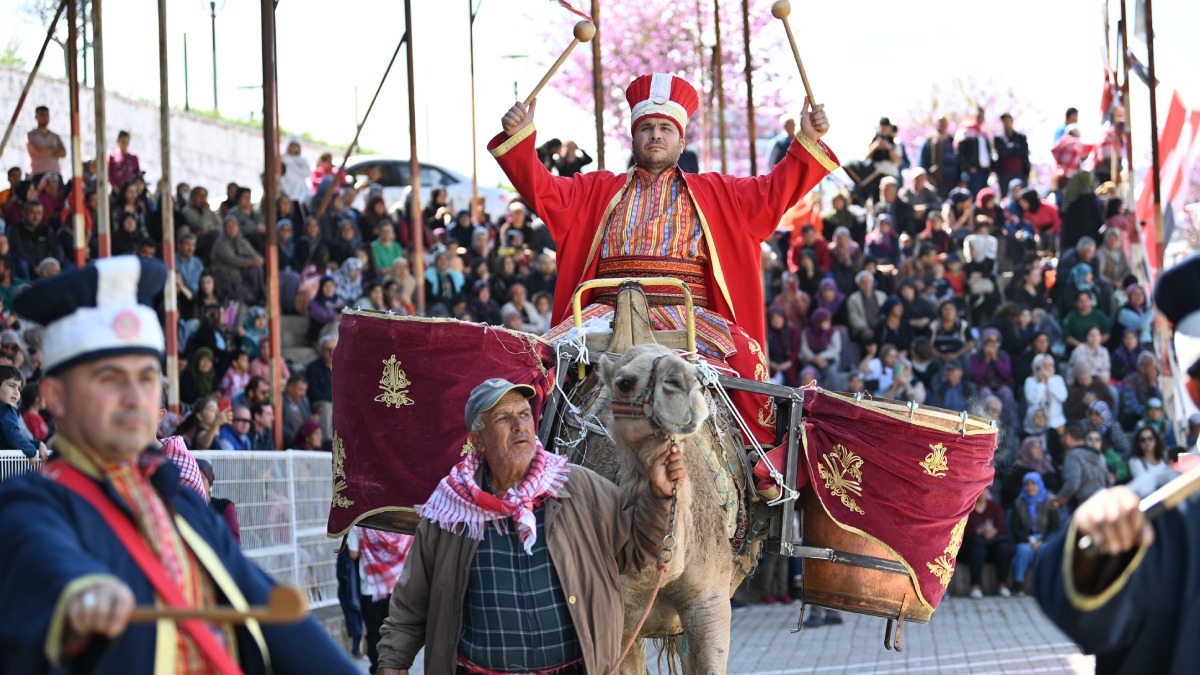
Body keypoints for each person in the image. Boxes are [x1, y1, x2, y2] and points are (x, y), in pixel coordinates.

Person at [0, 256, 356, 673]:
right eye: (111, 379)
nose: (136, 397)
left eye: (147, 378)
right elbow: (46, 560)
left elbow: (275, 616)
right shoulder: (26, 502)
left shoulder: (178, 504)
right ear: (56, 396)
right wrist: (83, 593)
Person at [492, 73, 835, 444]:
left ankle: (759, 462)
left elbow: (774, 191)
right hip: (607, 312)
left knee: (749, 358)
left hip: (687, 313)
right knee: (537, 361)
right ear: (634, 137)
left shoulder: (717, 192)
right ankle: (533, 461)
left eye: (665, 128)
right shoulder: (596, 189)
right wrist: (521, 140)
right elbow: (541, 188)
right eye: (647, 128)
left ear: (681, 140)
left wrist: (806, 141)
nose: (656, 134)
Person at [375, 378, 685, 674]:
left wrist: (658, 497)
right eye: (503, 418)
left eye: (524, 414)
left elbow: (639, 549)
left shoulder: (577, 487)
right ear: (476, 440)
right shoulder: (449, 511)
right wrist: (393, 660)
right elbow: (411, 603)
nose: (519, 425)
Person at [1010, 472, 1059, 595]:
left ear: (1039, 485)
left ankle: (1045, 587)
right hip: (1025, 541)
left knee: (1045, 550)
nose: (1030, 487)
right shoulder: (1019, 503)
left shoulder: (1049, 502)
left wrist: (1041, 541)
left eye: (1033, 484)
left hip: (1044, 540)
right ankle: (1018, 585)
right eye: (1027, 484)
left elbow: (1054, 527)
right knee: (1023, 551)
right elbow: (1015, 528)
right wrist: (1028, 542)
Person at [963, 490, 1013, 599]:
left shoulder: (994, 506)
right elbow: (963, 530)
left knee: (1003, 549)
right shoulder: (968, 507)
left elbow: (1001, 526)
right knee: (978, 551)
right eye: (979, 490)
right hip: (973, 544)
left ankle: (1002, 585)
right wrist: (979, 531)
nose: (981, 493)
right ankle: (975, 587)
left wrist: (993, 531)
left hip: (992, 542)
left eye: (984, 490)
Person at [0, 363, 48, 462]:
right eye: (12, 386)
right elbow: (13, 435)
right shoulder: (6, 409)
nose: (16, 392)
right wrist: (31, 451)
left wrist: (37, 444)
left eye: (19, 388)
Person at [26, 105, 66, 181]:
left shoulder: (55, 136)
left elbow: (63, 153)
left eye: (46, 115)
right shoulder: (31, 135)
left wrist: (45, 151)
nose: (44, 117)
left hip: (55, 174)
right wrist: (54, 150)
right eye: (42, 115)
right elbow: (37, 150)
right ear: (36, 117)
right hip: (38, 175)